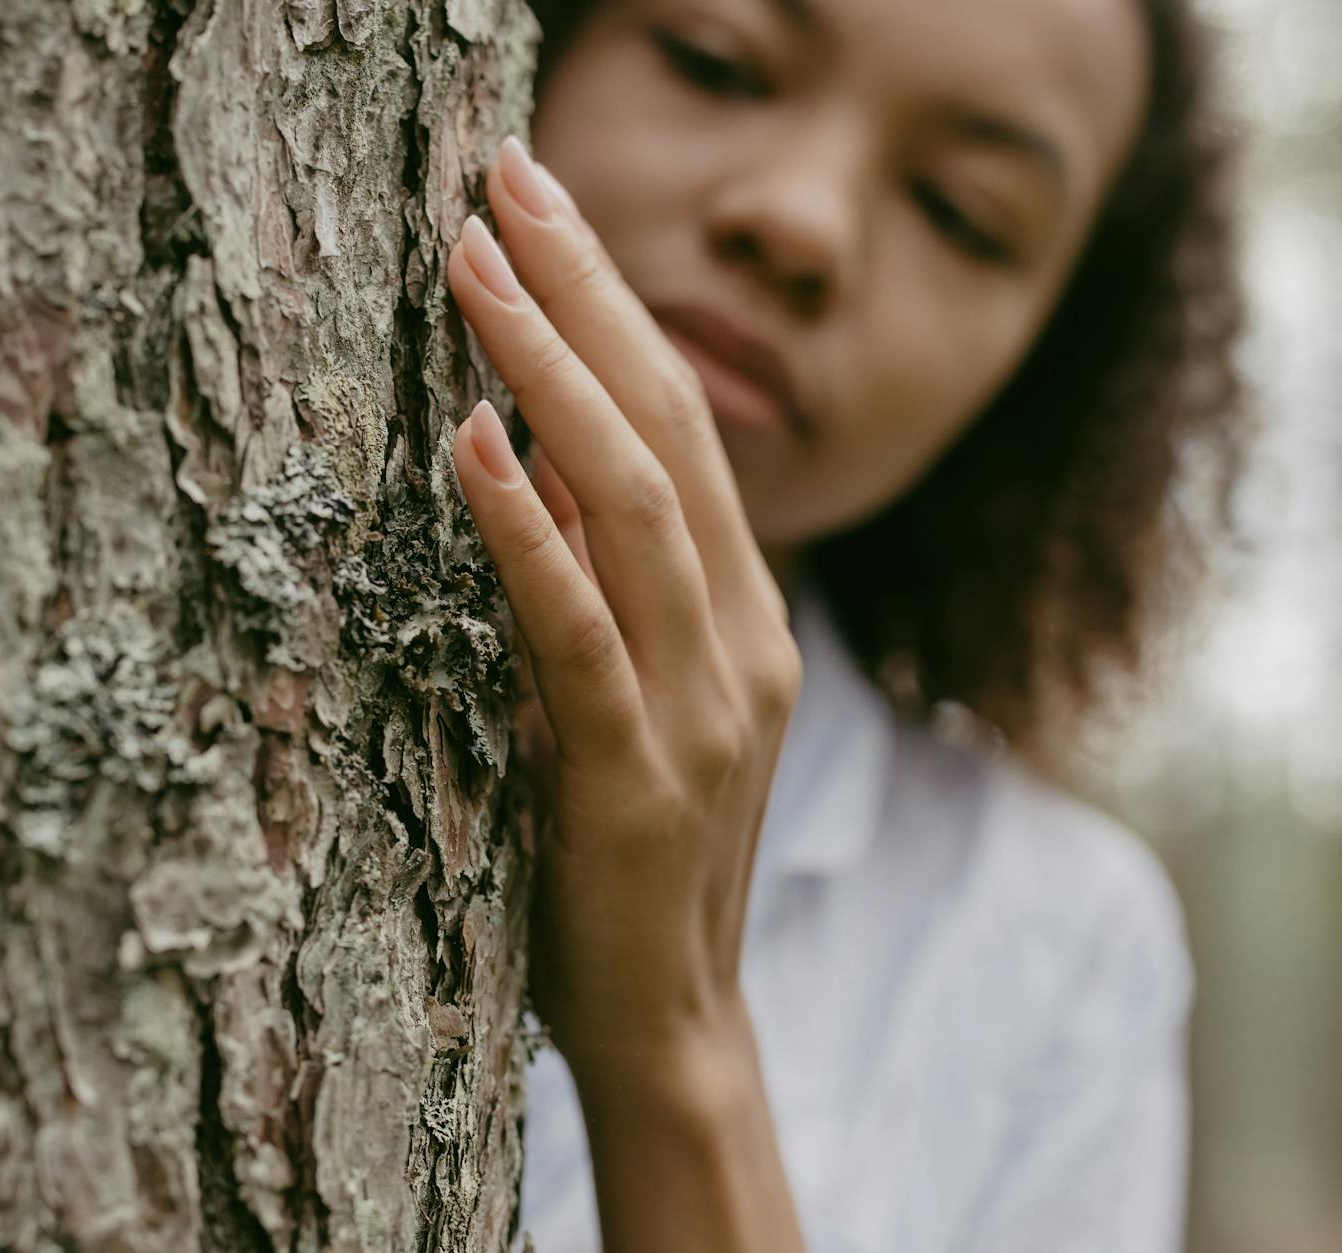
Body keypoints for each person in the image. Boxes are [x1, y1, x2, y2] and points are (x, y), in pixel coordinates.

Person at [440, 0, 1246, 1249]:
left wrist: (671, 1035)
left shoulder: (1058, 951)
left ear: (1044, 363)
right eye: (716, 62)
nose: (800, 222)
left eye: (960, 212)